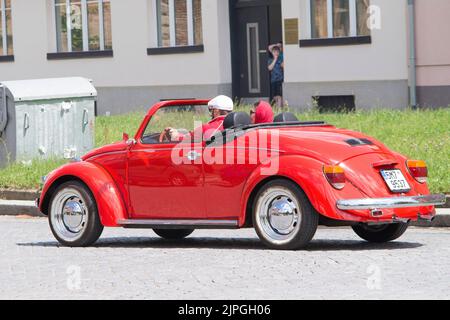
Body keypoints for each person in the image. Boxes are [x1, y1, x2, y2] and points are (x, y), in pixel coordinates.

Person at [163, 95, 234, 142]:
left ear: (216, 111)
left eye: (211, 110)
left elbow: (184, 140)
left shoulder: (206, 128)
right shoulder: (240, 126)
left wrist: (174, 134)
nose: (211, 113)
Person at [268, 44, 284, 109]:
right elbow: (270, 68)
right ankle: (277, 107)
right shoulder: (270, 60)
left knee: (279, 95)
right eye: (274, 51)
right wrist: (275, 59)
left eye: (277, 52)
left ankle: (279, 109)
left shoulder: (280, 59)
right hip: (273, 80)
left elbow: (283, 67)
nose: (276, 53)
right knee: (275, 96)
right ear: (272, 52)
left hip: (279, 79)